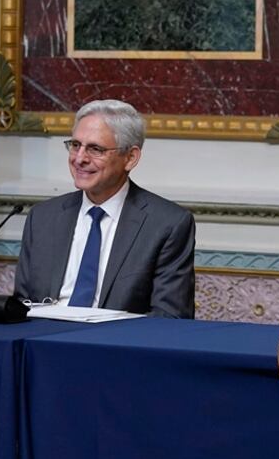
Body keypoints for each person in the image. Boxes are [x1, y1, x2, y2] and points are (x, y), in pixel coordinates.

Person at [13, 99, 196, 318]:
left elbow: (170, 318)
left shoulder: (167, 224)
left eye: (95, 149)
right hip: (42, 342)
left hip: (116, 345)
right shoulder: (43, 217)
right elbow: (21, 304)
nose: (79, 159)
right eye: (75, 145)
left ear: (130, 157)